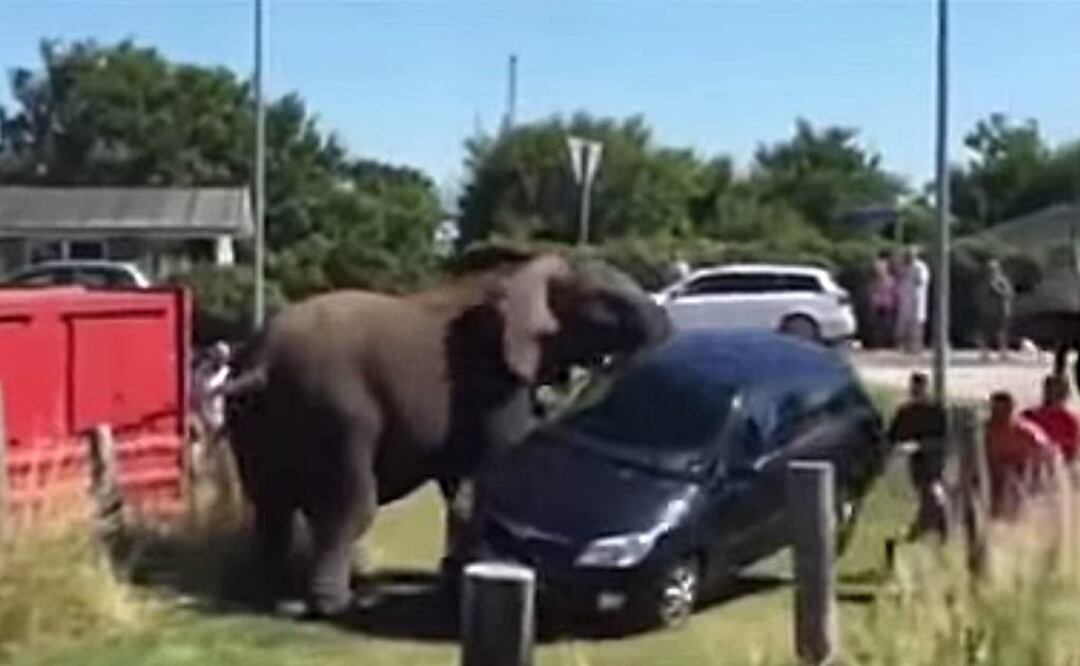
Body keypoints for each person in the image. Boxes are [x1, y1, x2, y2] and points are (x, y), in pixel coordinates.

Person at [888, 372, 948, 540]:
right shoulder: (905, 412)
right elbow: (892, 438)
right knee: (929, 497)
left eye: (919, 388)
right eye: (913, 388)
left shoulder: (935, 411)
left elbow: (944, 439)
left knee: (932, 497)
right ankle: (924, 532)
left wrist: (920, 445)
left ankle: (916, 534)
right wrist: (901, 447)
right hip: (915, 463)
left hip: (935, 461)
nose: (916, 392)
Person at [985, 390, 1056, 519]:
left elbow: (1048, 452)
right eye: (996, 410)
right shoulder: (985, 432)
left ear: (1011, 409)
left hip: (1024, 477)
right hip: (993, 479)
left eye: (1004, 410)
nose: (1000, 415)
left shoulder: (1026, 431)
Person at [1021, 374, 1080, 467]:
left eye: (1056, 390)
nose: (1051, 393)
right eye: (1049, 389)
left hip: (1057, 468)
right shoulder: (1028, 415)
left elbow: (1072, 454)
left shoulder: (1071, 420)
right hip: (1032, 465)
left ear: (1064, 393)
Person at [975, 259, 1014, 361]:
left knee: (1002, 333)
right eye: (989, 270)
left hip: (1001, 311)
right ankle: (984, 353)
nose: (991, 272)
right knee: (985, 333)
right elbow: (980, 296)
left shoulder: (1003, 281)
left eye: (993, 269)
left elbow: (1009, 294)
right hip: (987, 312)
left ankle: (1003, 353)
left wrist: (996, 289)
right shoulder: (983, 282)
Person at [895, 246, 930, 354]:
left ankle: (916, 348)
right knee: (903, 324)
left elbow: (921, 280)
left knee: (916, 325)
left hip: (916, 299)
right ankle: (905, 347)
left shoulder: (920, 267)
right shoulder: (903, 267)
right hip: (905, 300)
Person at [868, 251, 898, 349]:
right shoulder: (880, 281)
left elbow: (894, 293)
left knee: (885, 324)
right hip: (881, 304)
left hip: (886, 304)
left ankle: (885, 342)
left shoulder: (890, 281)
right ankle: (881, 342)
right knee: (880, 324)